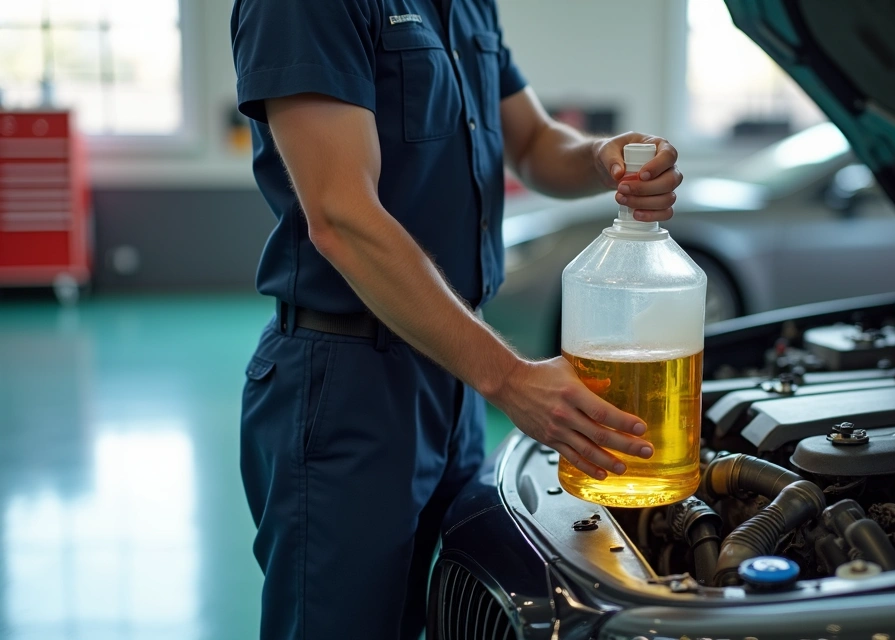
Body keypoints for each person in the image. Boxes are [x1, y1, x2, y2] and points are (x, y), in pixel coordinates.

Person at [230, 0, 682, 637]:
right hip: (348, 384)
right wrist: (510, 379)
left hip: (452, 370)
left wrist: (600, 157)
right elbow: (340, 216)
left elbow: (533, 141)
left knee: (440, 613)